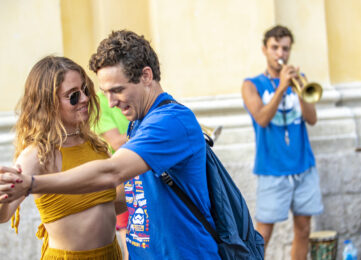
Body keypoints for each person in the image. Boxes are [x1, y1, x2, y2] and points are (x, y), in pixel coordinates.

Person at [0, 30, 221, 259]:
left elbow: (111, 174)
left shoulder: (163, 124)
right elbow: (130, 194)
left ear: (146, 76)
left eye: (117, 90)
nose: (109, 102)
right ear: (47, 103)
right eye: (74, 96)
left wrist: (32, 184)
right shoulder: (137, 124)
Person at [0, 56, 125, 259]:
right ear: (49, 104)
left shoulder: (96, 144)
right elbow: (3, 216)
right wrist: (4, 194)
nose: (84, 99)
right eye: (73, 96)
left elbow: (115, 203)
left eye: (85, 90)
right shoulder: (38, 154)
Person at [241, 25, 323, 259]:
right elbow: (262, 118)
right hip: (272, 170)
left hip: (304, 167)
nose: (280, 53)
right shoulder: (251, 85)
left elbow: (312, 118)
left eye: (285, 48)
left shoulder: (300, 81)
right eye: (275, 47)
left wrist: (298, 89)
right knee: (263, 235)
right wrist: (280, 89)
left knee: (304, 229)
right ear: (264, 50)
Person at [92, 91, 130, 260]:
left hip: (141, 176)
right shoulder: (98, 104)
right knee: (131, 247)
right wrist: (153, 132)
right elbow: (115, 142)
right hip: (121, 177)